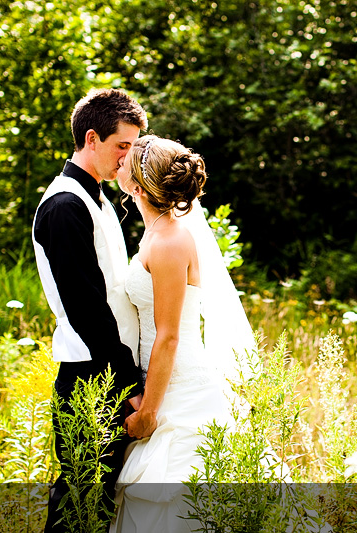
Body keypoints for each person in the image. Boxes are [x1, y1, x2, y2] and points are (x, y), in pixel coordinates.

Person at [109, 135, 257, 532]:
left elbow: (168, 335)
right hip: (160, 379)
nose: (119, 161)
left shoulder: (171, 241)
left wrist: (149, 413)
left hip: (180, 388)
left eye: (126, 160)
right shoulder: (155, 233)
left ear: (138, 186)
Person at [32, 88, 148, 532]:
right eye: (122, 146)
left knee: (100, 505)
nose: (127, 158)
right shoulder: (65, 205)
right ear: (92, 138)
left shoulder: (97, 198)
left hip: (108, 369)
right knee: (79, 503)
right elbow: (86, 310)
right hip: (91, 375)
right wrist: (128, 385)